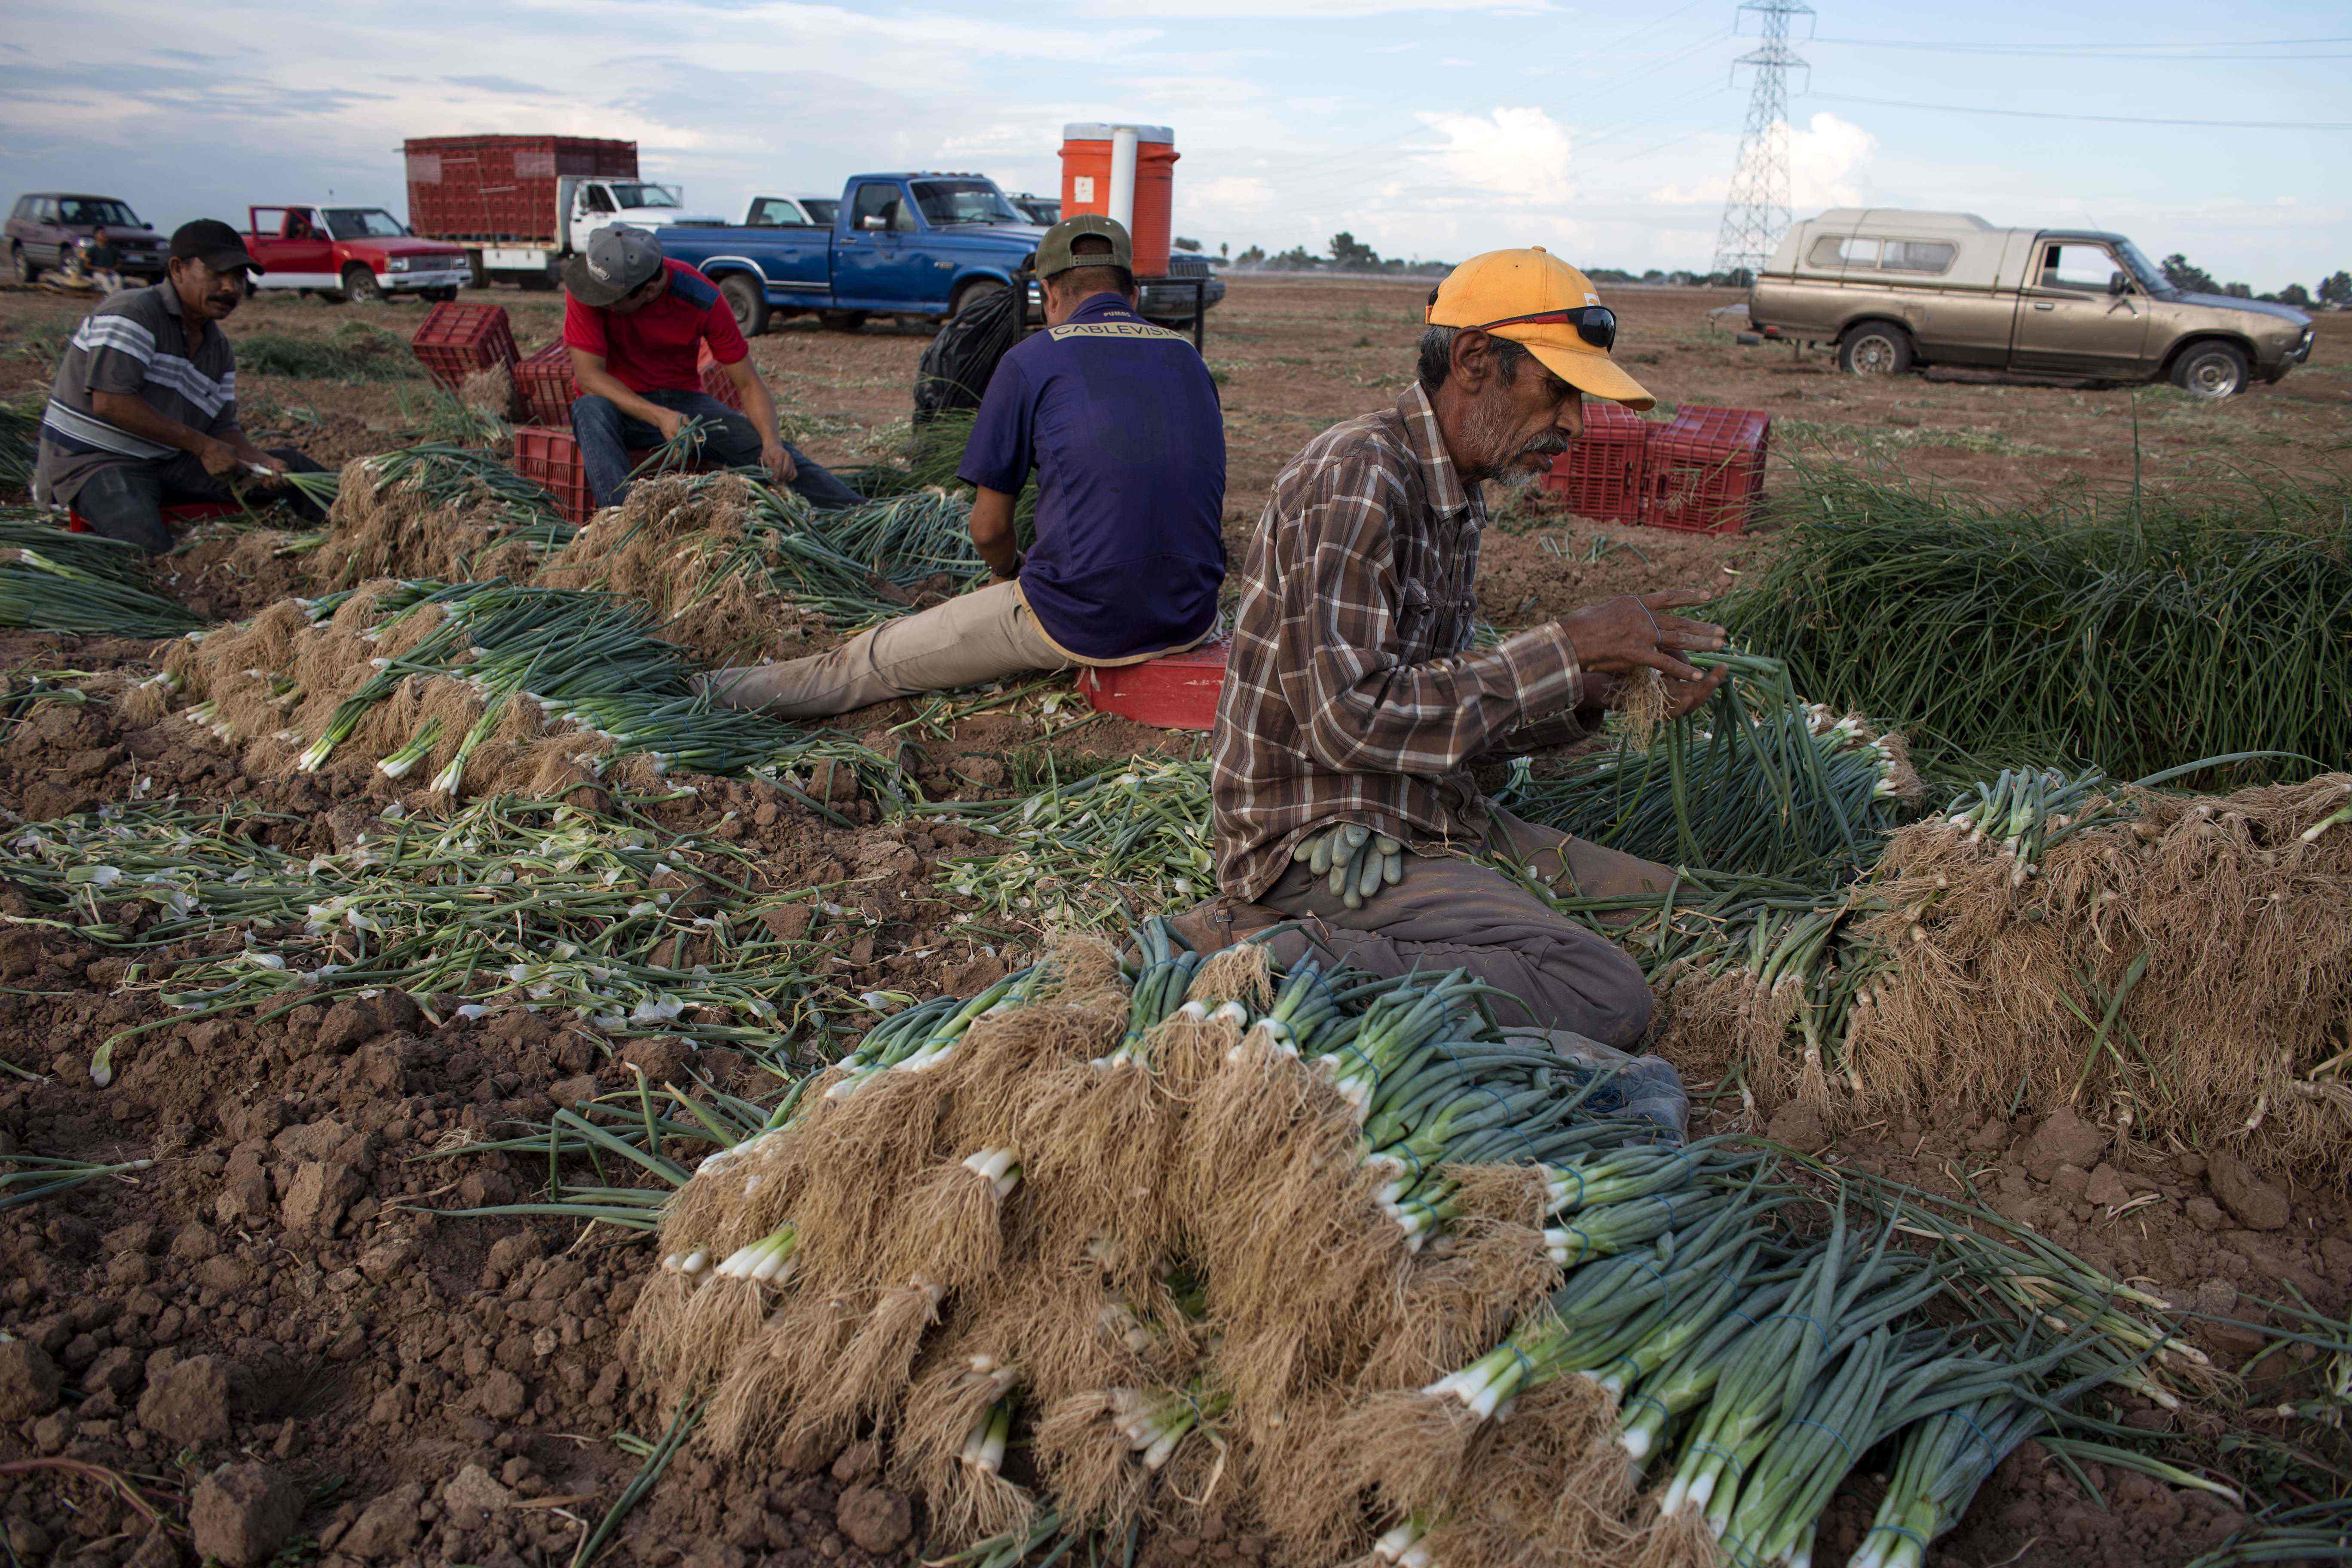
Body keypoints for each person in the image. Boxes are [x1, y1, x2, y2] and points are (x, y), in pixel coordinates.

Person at [1188, 247, 1730, 1050]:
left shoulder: (1455, 497)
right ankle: (1254, 948)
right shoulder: (1358, 475)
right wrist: (1569, 640)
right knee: (1604, 992)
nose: (1575, 424)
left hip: (1426, 814)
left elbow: (1441, 713)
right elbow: (1348, 720)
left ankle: (1376, 946)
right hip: (1326, 841)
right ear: (1476, 359)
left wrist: (1594, 687)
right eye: (1559, 390)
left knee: (1678, 905)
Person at [701, 215, 1225, 720]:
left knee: (872, 662)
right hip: (1191, 615)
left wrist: (1006, 575)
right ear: (1133, 296)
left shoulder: (1033, 360)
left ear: (1049, 295)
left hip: (1079, 620)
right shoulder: (1189, 359)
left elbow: (988, 527)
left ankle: (712, 691)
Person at [32, 219, 328, 554]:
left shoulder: (218, 350)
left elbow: (222, 427)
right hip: (96, 462)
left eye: (239, 278)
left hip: (167, 462)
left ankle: (357, 530)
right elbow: (111, 403)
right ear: (177, 269)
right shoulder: (133, 313)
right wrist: (202, 447)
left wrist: (261, 461)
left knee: (294, 470)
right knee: (146, 548)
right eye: (218, 274)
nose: (231, 288)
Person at [560, 224, 860, 511]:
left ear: (649, 291)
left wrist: (772, 442)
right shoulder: (594, 286)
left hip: (683, 405)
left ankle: (856, 511)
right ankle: (620, 520)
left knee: (775, 455)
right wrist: (660, 416)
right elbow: (589, 377)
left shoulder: (701, 298)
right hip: (620, 406)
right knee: (589, 408)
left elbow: (748, 384)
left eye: (612, 301)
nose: (602, 303)